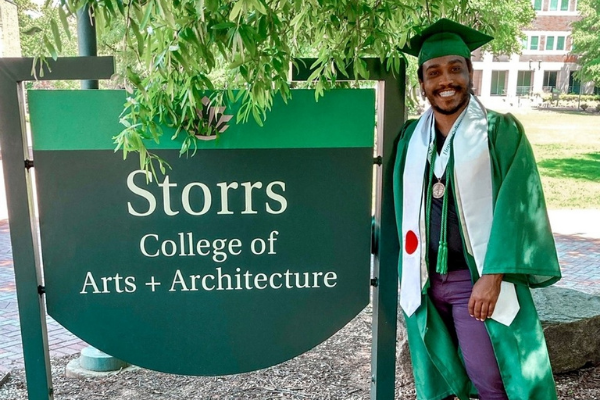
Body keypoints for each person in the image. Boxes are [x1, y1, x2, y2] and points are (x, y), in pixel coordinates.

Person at [393, 19, 562, 400]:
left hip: (476, 282)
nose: (445, 80)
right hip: (423, 282)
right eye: (433, 72)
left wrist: (494, 274)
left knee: (492, 379)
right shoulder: (410, 140)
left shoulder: (499, 132)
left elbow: (518, 205)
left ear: (470, 73)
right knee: (439, 378)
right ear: (423, 83)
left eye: (456, 68)